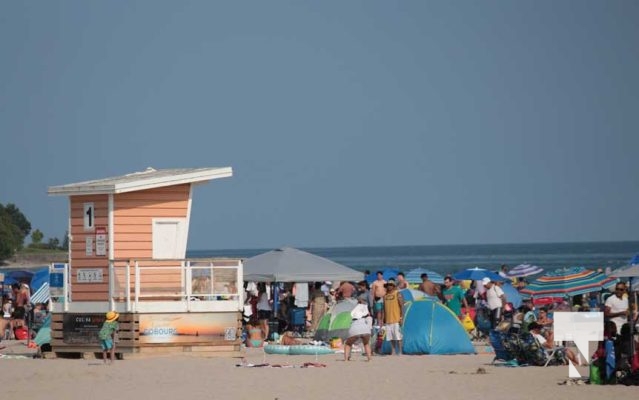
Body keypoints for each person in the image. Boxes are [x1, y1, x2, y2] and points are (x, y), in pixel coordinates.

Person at [382, 278, 404, 355]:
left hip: (396, 319)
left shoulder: (397, 294)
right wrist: (383, 318)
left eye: (391, 285)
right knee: (390, 337)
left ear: (394, 286)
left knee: (398, 337)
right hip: (388, 319)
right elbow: (384, 308)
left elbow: (401, 306)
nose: (389, 286)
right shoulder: (385, 296)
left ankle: (400, 351)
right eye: (388, 285)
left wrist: (401, 318)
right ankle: (393, 351)